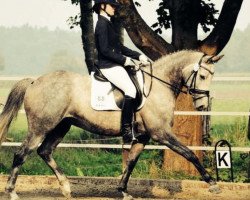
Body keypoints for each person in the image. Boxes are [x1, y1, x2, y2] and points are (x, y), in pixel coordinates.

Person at [93, 0, 149, 143]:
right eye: (112, 6)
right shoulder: (101, 24)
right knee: (131, 90)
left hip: (115, 64)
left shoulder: (108, 23)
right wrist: (125, 61)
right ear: (102, 6)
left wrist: (138, 55)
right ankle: (126, 132)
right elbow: (105, 50)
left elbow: (120, 48)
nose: (114, 8)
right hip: (108, 66)